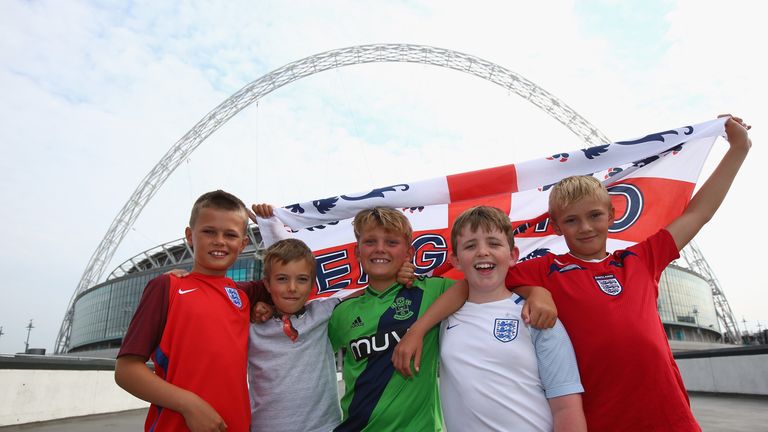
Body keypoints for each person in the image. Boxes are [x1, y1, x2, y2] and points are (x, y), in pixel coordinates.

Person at [501, 115, 752, 431]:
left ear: (612, 214)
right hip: (598, 418)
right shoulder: (545, 269)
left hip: (669, 417)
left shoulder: (642, 258)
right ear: (556, 226)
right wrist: (536, 291)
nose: (586, 227)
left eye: (594, 215)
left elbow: (699, 213)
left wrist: (738, 149)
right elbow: (490, 273)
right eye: (572, 220)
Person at [328, 207, 557, 431]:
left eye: (391, 242)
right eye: (370, 242)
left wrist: (536, 292)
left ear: (409, 253)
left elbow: (480, 281)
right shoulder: (341, 313)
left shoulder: (432, 292)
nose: (380, 249)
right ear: (357, 251)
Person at [115, 190, 271, 432]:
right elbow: (126, 371)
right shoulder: (166, 287)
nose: (219, 240)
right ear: (190, 235)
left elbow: (295, 273)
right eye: (209, 231)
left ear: (243, 244)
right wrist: (190, 405)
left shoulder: (245, 295)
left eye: (230, 234)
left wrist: (275, 224)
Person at [437, 206, 586, 432]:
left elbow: (566, 408)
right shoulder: (443, 317)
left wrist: (537, 292)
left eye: (494, 243)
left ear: (513, 256)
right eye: (470, 246)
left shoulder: (537, 316)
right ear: (456, 261)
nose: (483, 252)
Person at [246, 237, 342, 431]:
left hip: (325, 428)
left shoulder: (325, 312)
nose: (292, 288)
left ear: (312, 285)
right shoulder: (250, 326)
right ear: (267, 284)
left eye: (302, 279)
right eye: (282, 279)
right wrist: (170, 281)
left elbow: (370, 292)